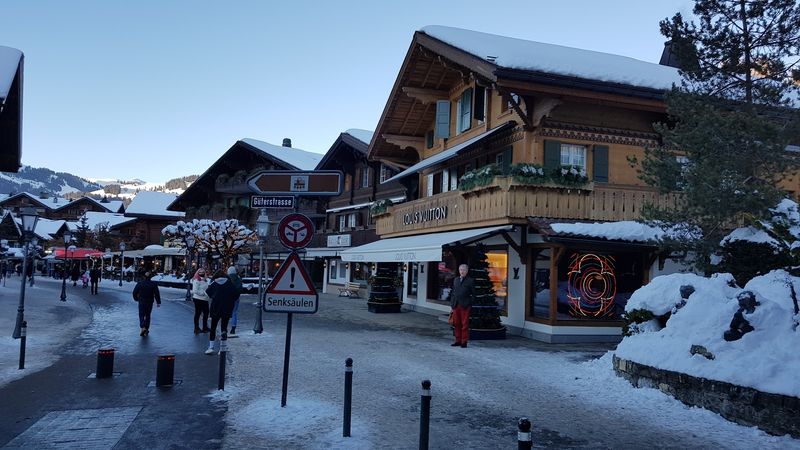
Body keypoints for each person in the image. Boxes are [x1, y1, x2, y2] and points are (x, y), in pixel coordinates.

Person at [204, 269, 238, 355]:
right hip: (227, 308)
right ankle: (222, 347)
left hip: (216, 308)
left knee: (213, 327)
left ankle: (211, 347)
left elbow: (208, 293)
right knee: (224, 328)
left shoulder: (214, 284)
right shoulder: (230, 284)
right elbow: (236, 295)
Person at [449, 263, 475, 348]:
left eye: (464, 270)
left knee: (465, 324)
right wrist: (452, 304)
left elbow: (474, 294)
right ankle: (458, 341)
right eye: (460, 270)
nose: (462, 271)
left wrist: (469, 303)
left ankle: (464, 342)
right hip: (456, 305)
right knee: (456, 323)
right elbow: (453, 292)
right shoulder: (456, 279)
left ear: (467, 271)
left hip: (465, 305)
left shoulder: (470, 281)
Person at [132, 271, 161, 337]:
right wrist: (158, 302)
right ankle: (146, 328)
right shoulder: (153, 284)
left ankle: (143, 327)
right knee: (148, 315)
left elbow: (134, 292)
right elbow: (157, 293)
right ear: (150, 277)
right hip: (149, 302)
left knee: (141, 314)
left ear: (144, 277)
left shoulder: (140, 283)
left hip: (141, 301)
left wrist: (136, 299)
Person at [191, 268, 211, 334]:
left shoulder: (205, 280)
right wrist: (203, 293)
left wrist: (208, 293)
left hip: (205, 299)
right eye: (200, 272)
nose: (202, 273)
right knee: (198, 313)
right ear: (198, 273)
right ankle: (196, 328)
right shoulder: (196, 280)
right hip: (198, 299)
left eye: (203, 272)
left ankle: (205, 327)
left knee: (206, 313)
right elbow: (195, 290)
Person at [226, 266, 243, 337]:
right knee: (234, 312)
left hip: (227, 298)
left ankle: (225, 328)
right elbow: (240, 289)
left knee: (226, 312)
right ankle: (233, 328)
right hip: (236, 298)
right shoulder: (238, 278)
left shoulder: (227, 278)